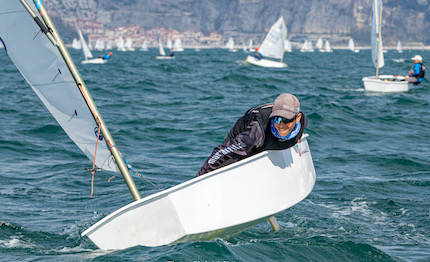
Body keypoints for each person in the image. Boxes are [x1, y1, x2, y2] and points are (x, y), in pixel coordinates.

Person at [196, 93, 307, 177]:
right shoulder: (255, 132)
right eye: (277, 119)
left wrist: (297, 139)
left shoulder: (302, 122)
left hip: (264, 142)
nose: (281, 125)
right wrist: (201, 177)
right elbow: (222, 152)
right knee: (223, 164)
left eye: (286, 120)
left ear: (298, 118)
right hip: (244, 141)